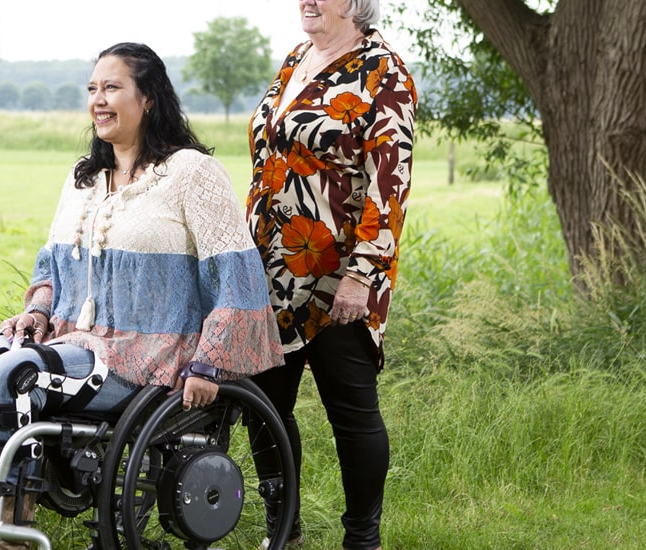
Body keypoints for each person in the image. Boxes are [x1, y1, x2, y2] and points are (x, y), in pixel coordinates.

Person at [0, 42, 282, 550]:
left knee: (9, 376)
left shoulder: (191, 174)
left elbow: (239, 279)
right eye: (93, 88)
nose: (99, 99)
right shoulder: (83, 179)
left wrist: (209, 363)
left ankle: (9, 540)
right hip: (72, 340)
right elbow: (51, 268)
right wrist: (37, 310)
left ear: (149, 98)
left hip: (146, 357)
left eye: (112, 87)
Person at [245, 0, 416, 549]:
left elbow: (390, 183)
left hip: (338, 275)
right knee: (265, 409)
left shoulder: (383, 72)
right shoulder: (296, 58)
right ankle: (284, 531)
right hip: (269, 270)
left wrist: (362, 275)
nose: (308, 1)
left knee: (352, 410)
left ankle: (362, 538)